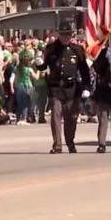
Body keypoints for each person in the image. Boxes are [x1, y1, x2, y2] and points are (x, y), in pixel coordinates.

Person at [38, 18, 91, 154]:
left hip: (72, 89)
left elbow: (84, 69)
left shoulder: (77, 49)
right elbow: (44, 66)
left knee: (71, 118)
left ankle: (70, 142)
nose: (65, 37)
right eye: (63, 34)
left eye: (68, 34)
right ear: (59, 34)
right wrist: (39, 63)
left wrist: (86, 87)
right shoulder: (51, 49)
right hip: (56, 87)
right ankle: (57, 145)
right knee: (56, 115)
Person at [10, 49, 38, 126]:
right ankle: (24, 119)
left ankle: (18, 118)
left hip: (19, 87)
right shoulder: (29, 69)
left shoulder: (16, 68)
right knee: (26, 103)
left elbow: (11, 79)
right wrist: (38, 71)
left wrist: (12, 87)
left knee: (20, 103)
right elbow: (36, 78)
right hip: (28, 86)